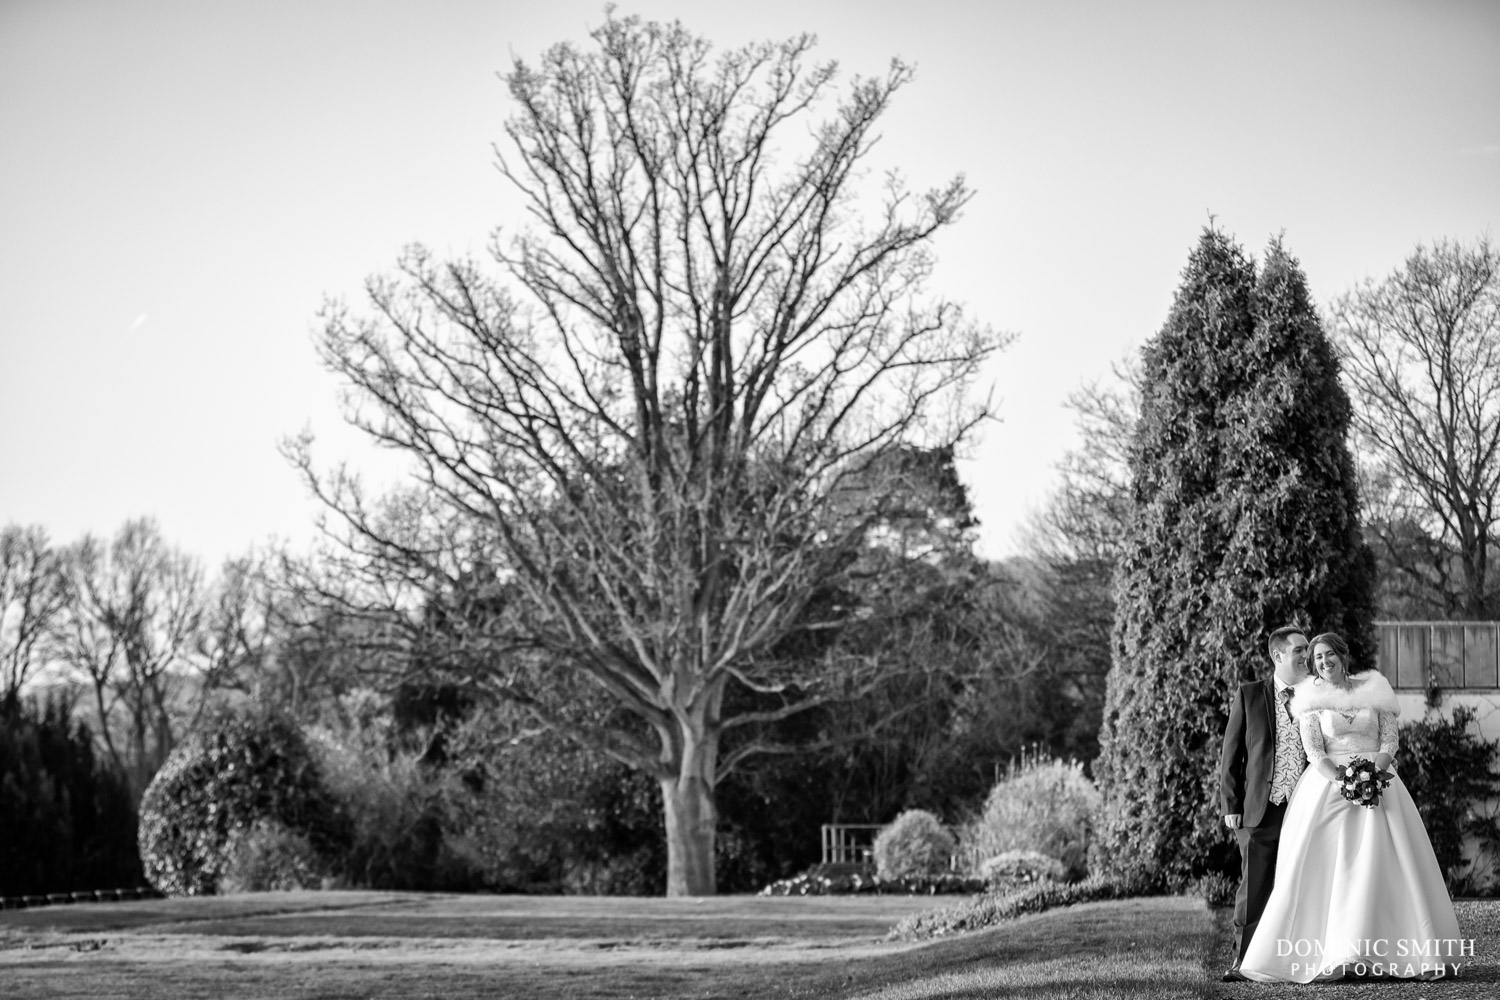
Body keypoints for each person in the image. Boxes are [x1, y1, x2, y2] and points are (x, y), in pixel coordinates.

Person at [1238, 631, 1464, 983]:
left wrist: (1375, 772)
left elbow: (1390, 737)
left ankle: (1391, 952)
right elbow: (1314, 752)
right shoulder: (1310, 698)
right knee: (1333, 870)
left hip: (1380, 782)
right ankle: (1336, 955)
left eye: (1329, 655)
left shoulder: (1375, 688)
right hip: (1329, 788)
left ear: (1343, 656)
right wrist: (1344, 780)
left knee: (1383, 867)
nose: (1323, 663)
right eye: (1317, 659)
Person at [1218, 625, 1311, 981]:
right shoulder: (1251, 694)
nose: (1306, 656)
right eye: (1299, 650)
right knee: (1254, 887)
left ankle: (1292, 960)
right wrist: (1231, 805)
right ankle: (1244, 963)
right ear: (1278, 655)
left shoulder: (1314, 695)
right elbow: (1231, 754)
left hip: (1303, 810)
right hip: (1259, 810)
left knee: (1298, 886)